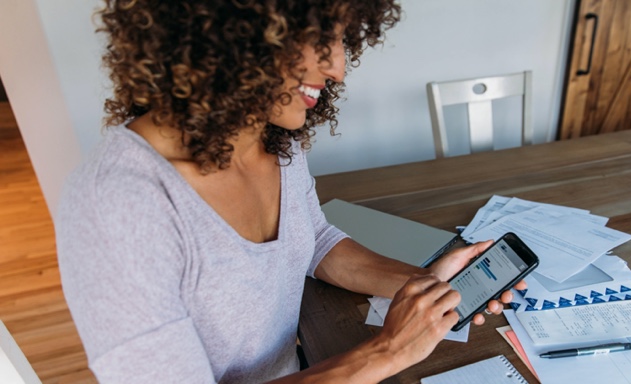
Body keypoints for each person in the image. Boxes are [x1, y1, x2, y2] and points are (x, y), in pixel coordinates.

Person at [55, 1, 525, 383]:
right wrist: (388, 350)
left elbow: (313, 241)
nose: (338, 68)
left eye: (342, 38)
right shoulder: (116, 207)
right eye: (319, 37)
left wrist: (424, 285)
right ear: (231, 28)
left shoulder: (272, 138)